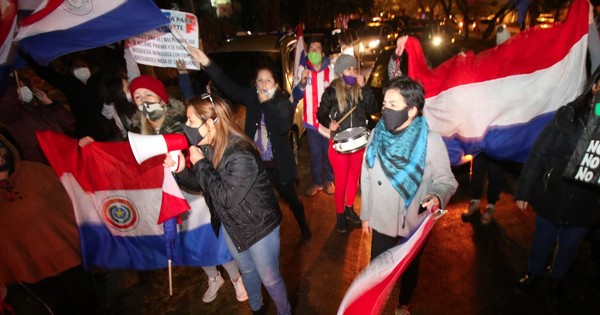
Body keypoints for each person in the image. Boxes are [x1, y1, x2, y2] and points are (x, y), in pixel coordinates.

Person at [164, 94, 291, 315]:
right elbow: (203, 184)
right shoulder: (209, 146)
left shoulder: (240, 152)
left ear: (212, 121)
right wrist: (181, 170)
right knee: (247, 271)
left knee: (270, 279)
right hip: (231, 226)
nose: (186, 127)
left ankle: (285, 311)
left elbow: (226, 197)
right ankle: (257, 309)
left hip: (260, 228)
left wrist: (201, 164)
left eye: (191, 121)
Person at [187, 47, 312, 242]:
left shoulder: (282, 102)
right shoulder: (252, 97)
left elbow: (282, 126)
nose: (263, 84)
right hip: (257, 162)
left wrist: (267, 103)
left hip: (278, 163)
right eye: (260, 80)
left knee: (292, 200)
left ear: (276, 85)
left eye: (268, 80)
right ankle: (270, 233)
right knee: (263, 199)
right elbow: (228, 85)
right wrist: (207, 63)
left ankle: (304, 228)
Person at [360, 76, 458, 315]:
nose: (385, 110)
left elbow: (447, 181)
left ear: (412, 110)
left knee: (409, 268)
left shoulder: (431, 142)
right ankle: (377, 305)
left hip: (413, 221)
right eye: (385, 104)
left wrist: (437, 195)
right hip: (382, 219)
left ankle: (404, 304)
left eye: (393, 105)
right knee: (378, 269)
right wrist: (366, 214)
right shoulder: (376, 135)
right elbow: (366, 177)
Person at [513, 70, 600, 304]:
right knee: (543, 237)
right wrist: (524, 189)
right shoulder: (568, 114)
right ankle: (534, 273)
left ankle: (557, 278)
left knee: (570, 244)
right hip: (554, 192)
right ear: (594, 87)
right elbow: (540, 151)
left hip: (587, 201)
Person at [317, 54, 377, 233]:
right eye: (349, 69)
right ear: (341, 72)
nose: (353, 72)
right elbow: (320, 113)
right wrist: (329, 123)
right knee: (341, 181)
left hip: (358, 143)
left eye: (354, 68)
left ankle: (350, 208)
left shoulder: (360, 89)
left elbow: (373, 108)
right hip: (339, 145)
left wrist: (365, 87)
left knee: (354, 180)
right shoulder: (332, 91)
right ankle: (340, 214)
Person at [292, 37, 335, 196]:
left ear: (323, 53)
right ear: (308, 53)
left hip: (328, 122)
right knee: (315, 153)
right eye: (311, 49)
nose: (314, 51)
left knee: (329, 152)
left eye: (317, 48)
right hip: (310, 122)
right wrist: (302, 81)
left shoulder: (331, 71)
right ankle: (317, 182)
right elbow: (296, 94)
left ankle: (329, 180)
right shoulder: (303, 70)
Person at [0, 76, 76, 164]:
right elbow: (7, 102)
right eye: (19, 87)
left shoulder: (42, 109)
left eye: (24, 86)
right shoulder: (13, 116)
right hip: (40, 164)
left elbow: (68, 121)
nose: (23, 89)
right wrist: (9, 80)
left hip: (63, 159)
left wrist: (48, 101)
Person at [461, 154, 505, 224]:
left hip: (497, 146)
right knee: (476, 170)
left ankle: (491, 206)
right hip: (480, 146)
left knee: (495, 174)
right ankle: (475, 201)